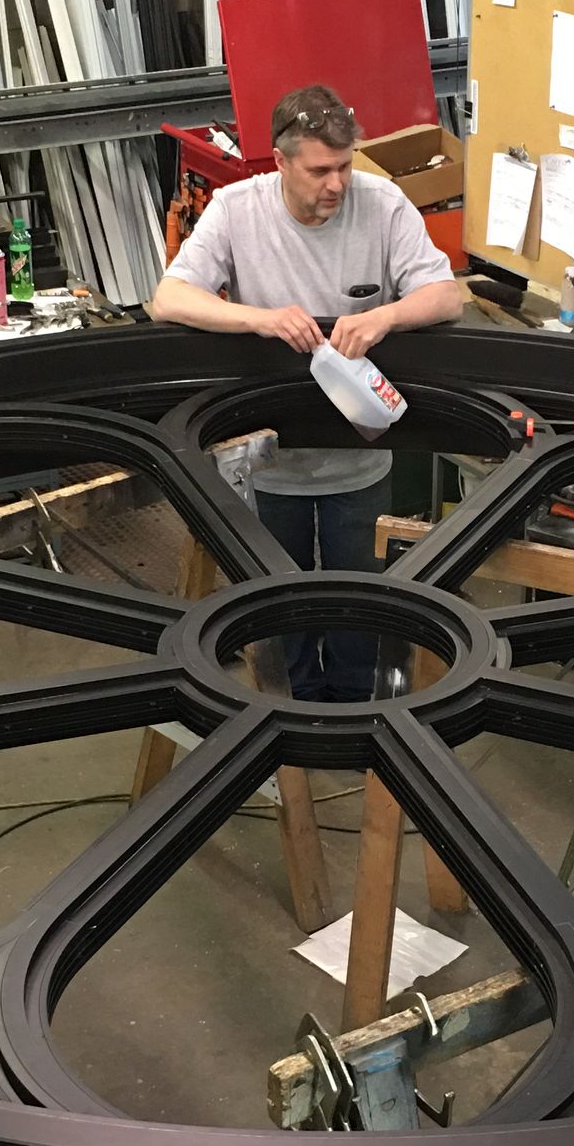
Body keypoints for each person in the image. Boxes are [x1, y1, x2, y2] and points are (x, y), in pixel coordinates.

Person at [151, 81, 467, 699]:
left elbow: (446, 294)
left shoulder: (382, 203)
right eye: (321, 170)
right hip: (271, 463)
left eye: (345, 166)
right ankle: (294, 721)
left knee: (358, 602)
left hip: (358, 459)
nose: (337, 185)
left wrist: (385, 317)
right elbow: (169, 297)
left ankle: (355, 718)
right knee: (279, 603)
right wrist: (260, 319)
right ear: (280, 162)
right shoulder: (237, 209)